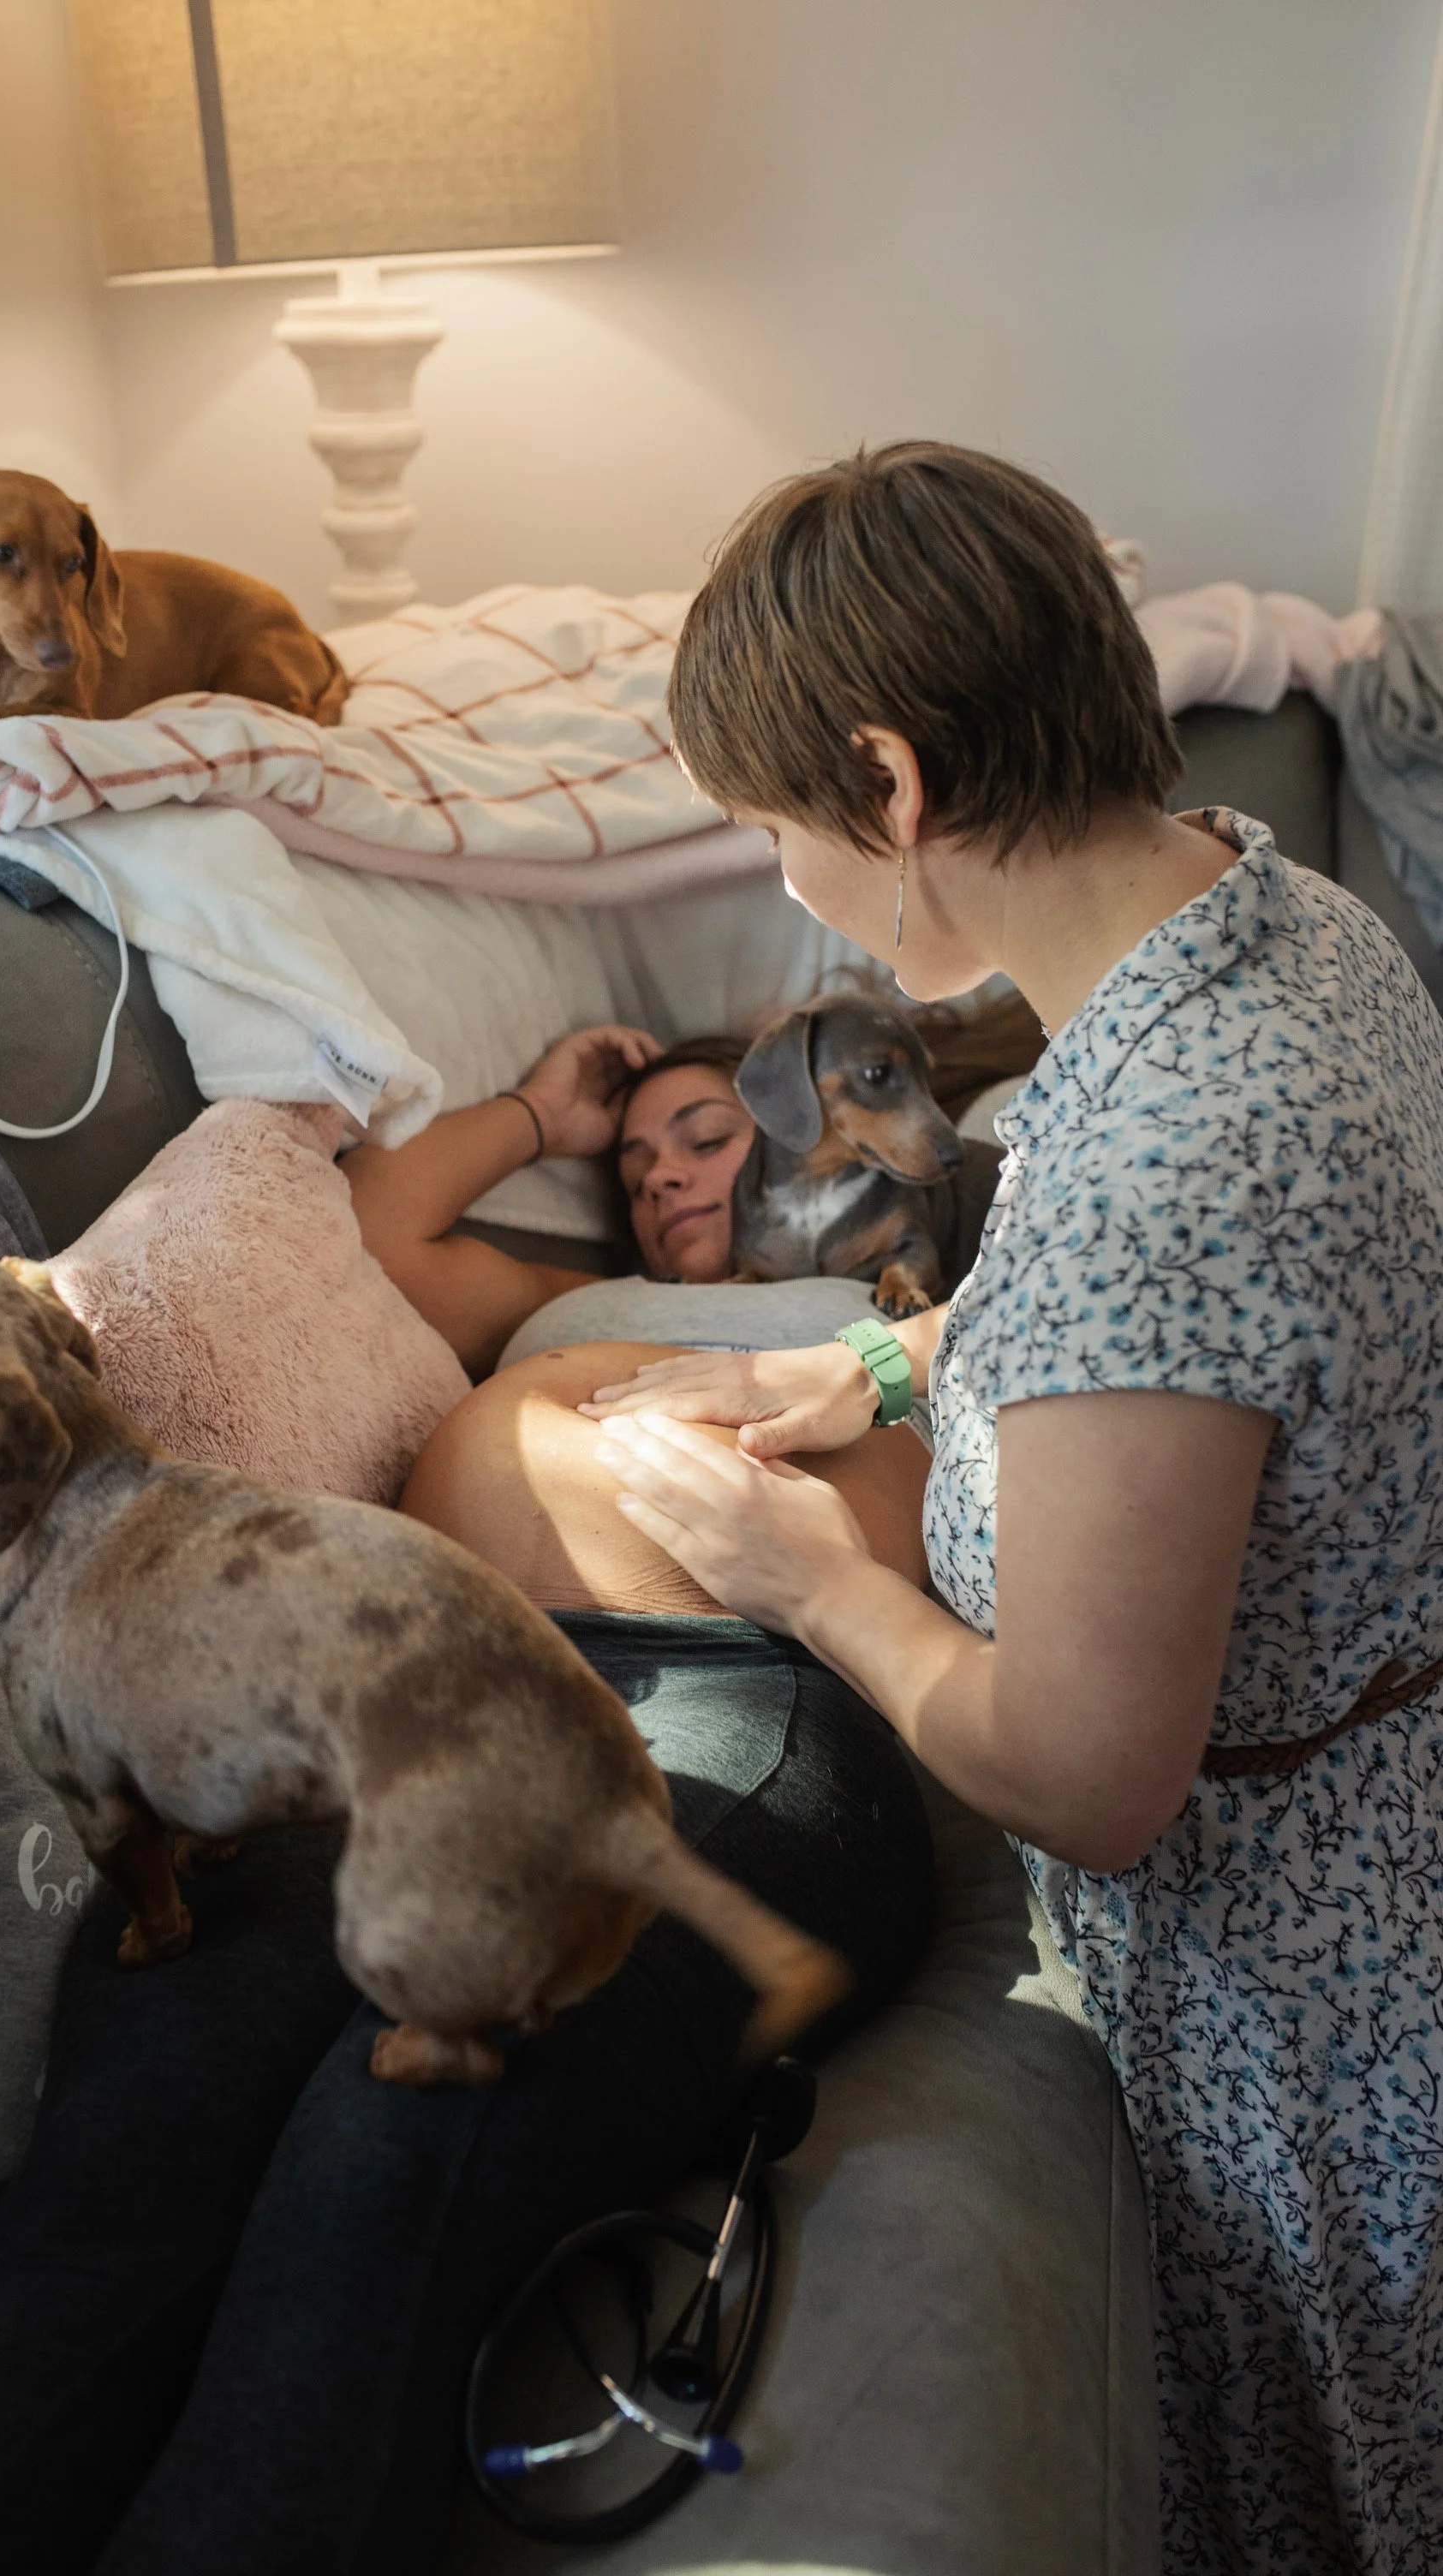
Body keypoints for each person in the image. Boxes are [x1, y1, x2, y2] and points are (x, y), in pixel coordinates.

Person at [578, 440, 1443, 2576]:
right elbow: (1175, 1343)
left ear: (886, 785)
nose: (779, 883)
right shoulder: (1266, 920)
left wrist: (805, 1572)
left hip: (1303, 2002)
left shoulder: (1171, 1159)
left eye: (775, 828)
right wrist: (870, 1359)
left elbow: (1080, 1767)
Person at [0, 1126, 939, 2564]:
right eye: (635, 1159)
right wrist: (543, 1117)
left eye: (705, 1132)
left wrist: (849, 1437)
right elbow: (375, 1227)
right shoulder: (540, 1299)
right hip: (332, 1729)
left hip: (724, 1688)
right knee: (118, 2186)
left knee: (380, 2169)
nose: (665, 1172)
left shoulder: (872, 1331)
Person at [343, 1027, 760, 1374]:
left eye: (707, 1141)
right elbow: (362, 1239)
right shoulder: (608, 1308)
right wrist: (542, 1113)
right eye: (634, 1182)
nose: (656, 1178)